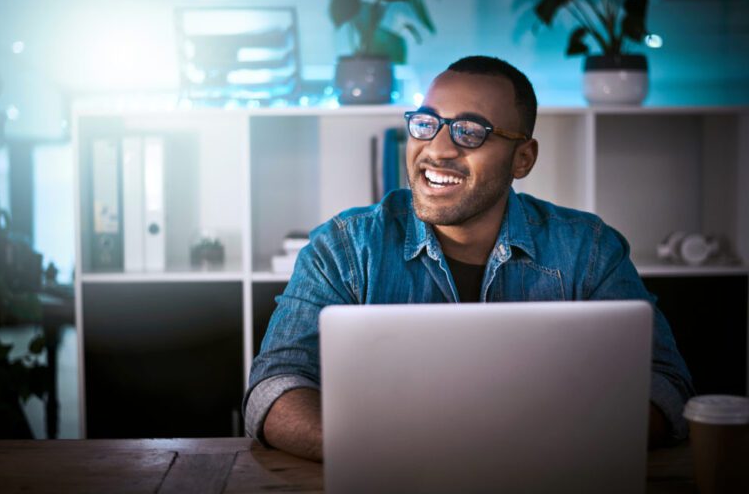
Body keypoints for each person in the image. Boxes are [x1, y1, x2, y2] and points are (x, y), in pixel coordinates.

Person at [243, 55, 695, 462]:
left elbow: (665, 384)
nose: (437, 150)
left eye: (470, 131)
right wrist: (376, 451)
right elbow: (274, 386)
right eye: (425, 123)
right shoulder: (342, 248)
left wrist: (544, 449)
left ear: (522, 158)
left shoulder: (589, 249)